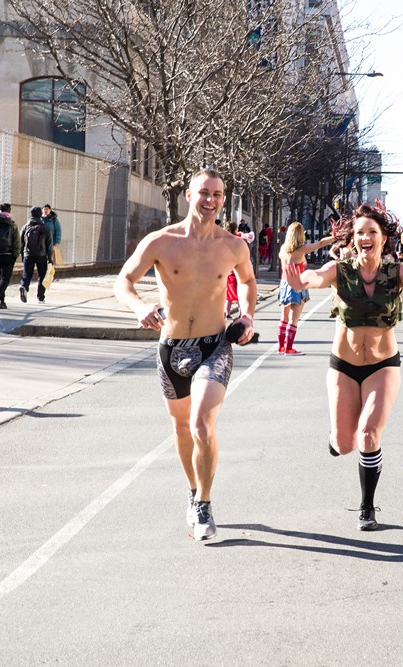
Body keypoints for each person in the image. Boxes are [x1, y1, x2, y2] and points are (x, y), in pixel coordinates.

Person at [114, 168, 256, 542]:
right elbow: (123, 281)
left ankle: (205, 504)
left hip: (214, 345)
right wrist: (138, 306)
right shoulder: (161, 241)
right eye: (204, 193)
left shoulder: (233, 246)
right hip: (171, 347)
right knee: (181, 429)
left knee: (201, 425)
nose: (211, 200)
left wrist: (247, 314)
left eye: (218, 195)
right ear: (189, 196)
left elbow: (247, 281)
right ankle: (194, 492)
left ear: (224, 200)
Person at [283, 204, 403, 531]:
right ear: (353, 238)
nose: (366, 237)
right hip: (344, 367)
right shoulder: (341, 269)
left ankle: (367, 506)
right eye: (360, 232)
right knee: (346, 443)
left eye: (372, 232)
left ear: (383, 239)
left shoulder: (396, 271)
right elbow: (317, 277)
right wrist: (303, 278)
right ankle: (336, 440)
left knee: (368, 434)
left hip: (383, 366)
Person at [277, 222, 334, 355]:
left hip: (284, 283)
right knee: (294, 319)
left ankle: (281, 346)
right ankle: (289, 348)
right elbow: (320, 244)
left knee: (283, 317)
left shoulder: (283, 249)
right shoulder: (301, 249)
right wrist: (334, 237)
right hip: (297, 284)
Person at [18, 206, 54, 304]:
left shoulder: (26, 226)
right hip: (41, 255)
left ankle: (24, 287)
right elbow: (49, 244)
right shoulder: (45, 227)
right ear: (40, 214)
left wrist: (22, 253)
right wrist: (50, 257)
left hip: (28, 254)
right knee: (42, 275)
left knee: (26, 274)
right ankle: (40, 297)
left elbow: (20, 241)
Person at [224, 221, 241, 319]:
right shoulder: (237, 240)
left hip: (227, 270)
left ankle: (227, 313)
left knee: (229, 295)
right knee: (240, 295)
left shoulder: (223, 240)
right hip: (236, 270)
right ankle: (241, 314)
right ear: (235, 229)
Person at [41, 204, 63, 270]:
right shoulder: (40, 219)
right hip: (41, 244)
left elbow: (58, 231)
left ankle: (49, 272)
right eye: (44, 209)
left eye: (47, 209)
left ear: (50, 210)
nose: (45, 210)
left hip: (51, 243)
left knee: (50, 259)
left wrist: (57, 241)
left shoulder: (54, 219)